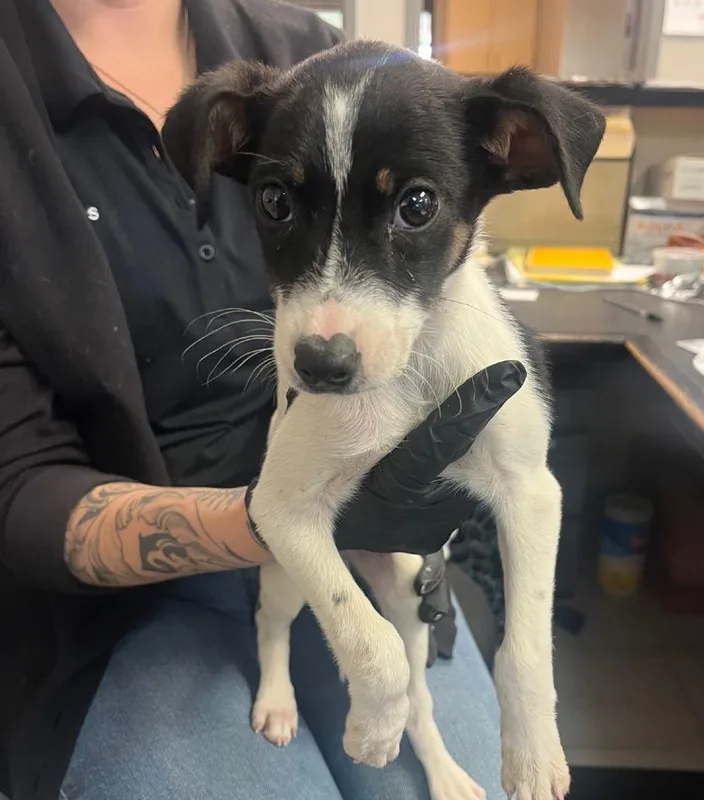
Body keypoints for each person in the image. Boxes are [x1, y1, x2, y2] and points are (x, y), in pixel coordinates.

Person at [0, 2, 519, 798]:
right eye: (277, 203)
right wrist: (273, 519)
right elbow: (15, 484)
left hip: (349, 528)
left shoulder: (315, 55)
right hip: (128, 601)